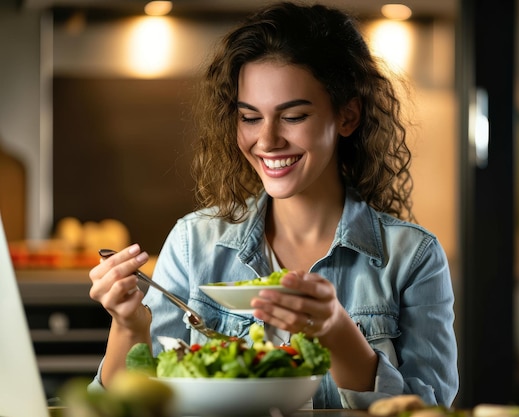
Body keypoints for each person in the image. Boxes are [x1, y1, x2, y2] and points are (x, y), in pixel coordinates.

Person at [88, 1, 458, 409]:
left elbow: (430, 408)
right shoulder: (194, 242)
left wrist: (339, 334)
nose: (266, 141)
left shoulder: (413, 258)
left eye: (293, 116)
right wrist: (128, 325)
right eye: (250, 118)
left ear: (347, 116)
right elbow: (133, 407)